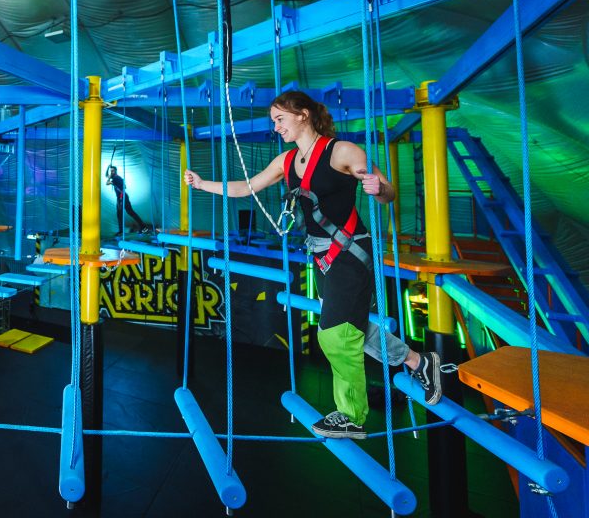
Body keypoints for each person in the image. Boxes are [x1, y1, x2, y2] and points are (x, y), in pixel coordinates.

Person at [183, 90, 442, 439]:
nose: (276, 128)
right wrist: (202, 184)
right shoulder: (286, 162)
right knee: (355, 329)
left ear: (303, 114)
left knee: (334, 335)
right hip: (321, 257)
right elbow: (246, 188)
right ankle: (418, 361)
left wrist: (377, 187)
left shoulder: (343, 151)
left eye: (280, 119)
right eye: (274, 121)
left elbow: (387, 193)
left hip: (350, 254)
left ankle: (351, 415)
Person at [105, 165, 149, 235]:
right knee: (124, 213)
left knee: (128, 213)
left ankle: (143, 227)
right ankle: (122, 230)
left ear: (115, 171)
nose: (111, 172)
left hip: (122, 197)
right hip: (121, 197)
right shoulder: (115, 177)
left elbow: (107, 183)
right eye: (111, 171)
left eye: (112, 171)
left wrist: (110, 177)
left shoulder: (116, 178)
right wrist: (108, 168)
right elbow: (106, 175)